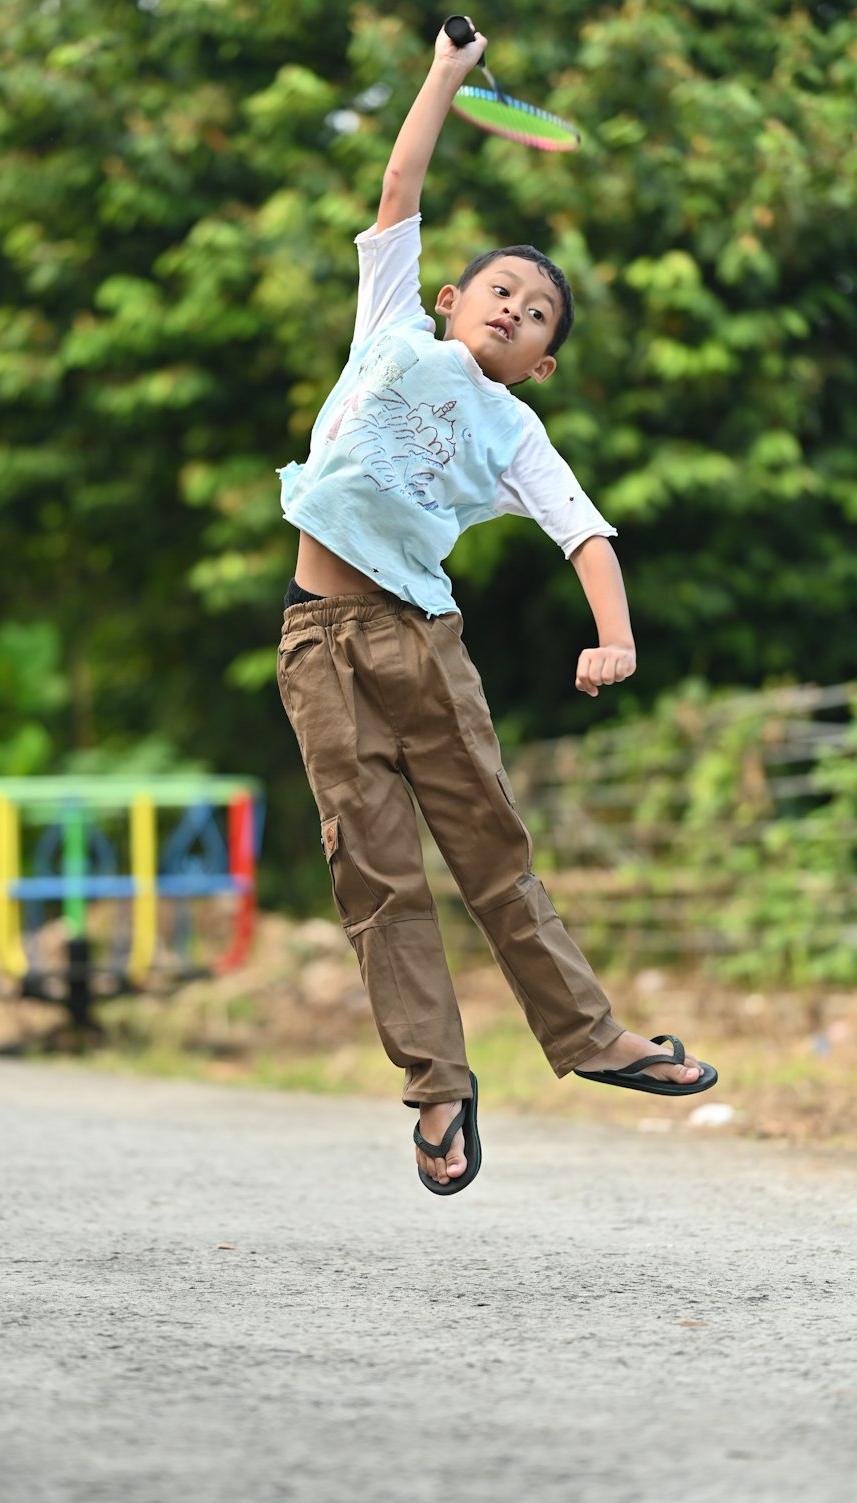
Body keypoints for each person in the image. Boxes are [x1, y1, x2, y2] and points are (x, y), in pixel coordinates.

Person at [275, 19, 717, 1195]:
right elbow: (399, 178)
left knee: (492, 861)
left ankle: (591, 1038)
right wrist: (443, 73)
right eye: (503, 290)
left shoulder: (515, 428)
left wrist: (612, 636)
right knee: (373, 877)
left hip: (421, 648)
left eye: (538, 317)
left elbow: (587, 533)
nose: (517, 310)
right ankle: (438, 1089)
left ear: (541, 366)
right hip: (318, 644)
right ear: (453, 295)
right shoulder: (390, 328)